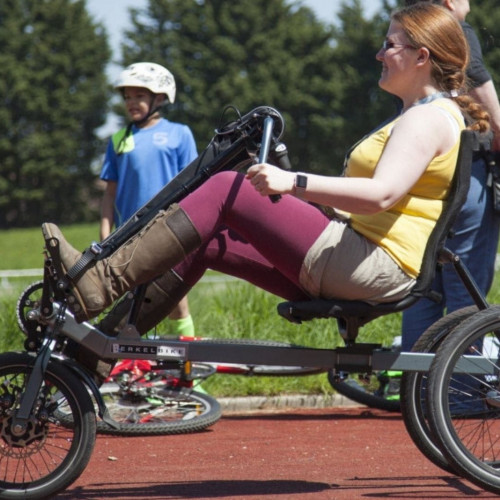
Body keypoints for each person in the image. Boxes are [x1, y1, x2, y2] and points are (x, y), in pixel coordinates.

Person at [42, 4, 489, 380]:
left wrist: (291, 183)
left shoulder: (427, 118)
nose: (378, 53)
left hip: (372, 263)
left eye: (390, 45)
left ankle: (97, 284)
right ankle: (97, 352)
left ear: (421, 57)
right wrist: (294, 195)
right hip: (363, 255)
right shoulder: (427, 115)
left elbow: (381, 195)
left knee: (225, 188)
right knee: (211, 240)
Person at [401, 0, 500, 351]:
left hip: (420, 174)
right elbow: (493, 116)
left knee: (424, 288)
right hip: (464, 172)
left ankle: (417, 388)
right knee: (466, 291)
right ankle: (461, 397)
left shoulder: (407, 31)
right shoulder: (455, 29)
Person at [99, 62, 198, 337]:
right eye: (127, 97)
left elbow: (195, 186)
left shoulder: (180, 134)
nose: (131, 103)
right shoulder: (118, 140)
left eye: (139, 96)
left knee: (176, 301)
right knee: (132, 303)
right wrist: (105, 236)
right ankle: (133, 366)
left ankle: (187, 374)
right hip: (129, 237)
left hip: (169, 231)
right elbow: (109, 195)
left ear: (160, 98)